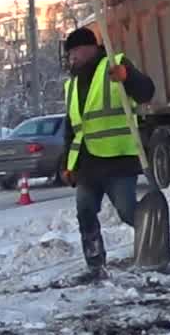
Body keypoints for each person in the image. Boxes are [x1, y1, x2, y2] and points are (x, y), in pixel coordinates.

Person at [60, 26, 157, 278]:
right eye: (70, 55)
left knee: (127, 211)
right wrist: (67, 164)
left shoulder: (115, 65)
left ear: (88, 48)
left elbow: (146, 92)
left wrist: (128, 77)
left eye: (74, 54)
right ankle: (95, 265)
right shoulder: (71, 85)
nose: (72, 60)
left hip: (118, 160)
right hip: (88, 165)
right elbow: (72, 129)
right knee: (85, 212)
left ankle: (154, 246)